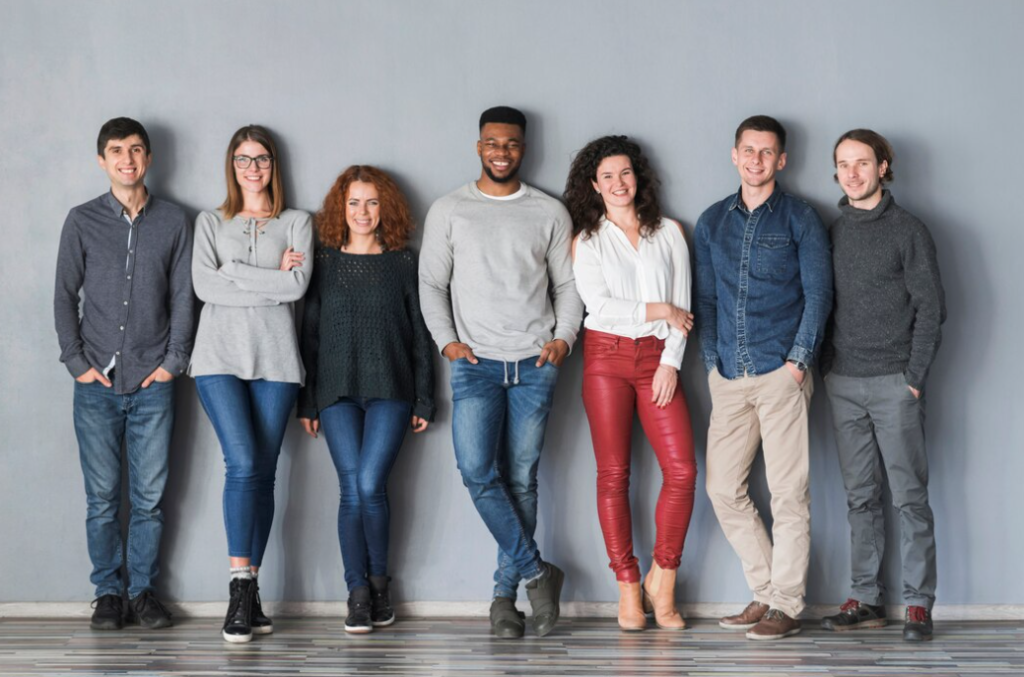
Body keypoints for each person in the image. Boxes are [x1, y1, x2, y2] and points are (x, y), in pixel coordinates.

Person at [419, 106, 584, 639]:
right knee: (476, 472)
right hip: (475, 366)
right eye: (492, 143)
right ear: (478, 147)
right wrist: (447, 343)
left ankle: (503, 601)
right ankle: (538, 573)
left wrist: (563, 339)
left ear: (523, 148)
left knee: (521, 480)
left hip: (535, 364)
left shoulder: (549, 212)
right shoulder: (450, 210)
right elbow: (430, 285)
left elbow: (568, 286)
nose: (501, 152)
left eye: (511, 144)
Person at [695, 115, 833, 640]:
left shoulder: (800, 217)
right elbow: (706, 300)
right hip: (730, 376)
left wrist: (798, 361)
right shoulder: (712, 222)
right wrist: (713, 365)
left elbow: (819, 295)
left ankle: (788, 604)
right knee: (723, 488)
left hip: (782, 373)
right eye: (748, 151)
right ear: (735, 155)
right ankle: (764, 592)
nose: (756, 160)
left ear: (782, 160)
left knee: (788, 493)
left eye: (766, 152)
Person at [54, 116, 193, 631]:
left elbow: (183, 296)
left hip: (153, 379)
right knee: (102, 498)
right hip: (97, 381)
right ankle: (107, 593)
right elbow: (64, 296)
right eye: (117, 151)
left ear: (149, 158)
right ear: (102, 160)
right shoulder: (81, 220)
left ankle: (143, 592)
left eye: (136, 150)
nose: (127, 159)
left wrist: (172, 364)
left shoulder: (175, 221)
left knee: (151, 499)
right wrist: (77, 364)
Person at [564, 135, 697, 632]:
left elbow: (684, 305)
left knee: (682, 471)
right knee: (614, 475)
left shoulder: (670, 234)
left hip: (659, 359)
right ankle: (626, 585)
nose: (618, 184)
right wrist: (659, 310)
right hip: (606, 359)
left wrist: (671, 363)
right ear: (593, 187)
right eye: (607, 177)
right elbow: (599, 308)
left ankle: (664, 578)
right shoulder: (588, 240)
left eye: (625, 174)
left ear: (637, 177)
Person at [818, 129, 945, 642]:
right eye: (844, 164)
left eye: (862, 163)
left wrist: (913, 378)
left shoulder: (909, 230)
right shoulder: (832, 230)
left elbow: (932, 309)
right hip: (843, 381)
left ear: (883, 166)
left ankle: (918, 603)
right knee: (859, 497)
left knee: (909, 497)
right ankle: (866, 598)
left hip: (895, 382)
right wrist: (828, 366)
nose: (852, 173)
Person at [297, 165, 436, 634]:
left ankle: (380, 585)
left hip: (391, 390)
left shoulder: (403, 262)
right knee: (351, 487)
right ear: (341, 207)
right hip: (335, 391)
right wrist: (307, 402)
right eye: (354, 202)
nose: (362, 212)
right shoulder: (326, 261)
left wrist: (424, 398)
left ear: (386, 208)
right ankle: (358, 594)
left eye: (372, 202)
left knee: (370, 485)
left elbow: (420, 332)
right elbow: (311, 334)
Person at [190, 124, 313, 643]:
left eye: (260, 159)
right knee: (242, 463)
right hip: (217, 358)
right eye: (242, 159)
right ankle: (239, 589)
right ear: (231, 165)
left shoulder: (298, 222)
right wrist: (267, 280)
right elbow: (202, 285)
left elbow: (298, 286)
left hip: (278, 362)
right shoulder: (209, 222)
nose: (252, 168)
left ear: (273, 165)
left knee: (263, 472)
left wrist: (233, 273)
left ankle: (252, 594)